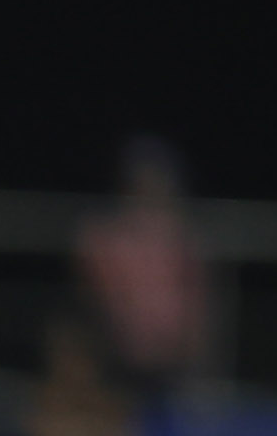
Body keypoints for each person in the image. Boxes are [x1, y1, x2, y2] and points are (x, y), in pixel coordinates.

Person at [80, 141, 205, 400]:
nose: (151, 188)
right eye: (142, 180)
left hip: (174, 357)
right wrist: (132, 338)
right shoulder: (102, 236)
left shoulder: (184, 237)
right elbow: (102, 299)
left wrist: (190, 349)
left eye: (158, 179)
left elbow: (198, 301)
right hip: (119, 356)